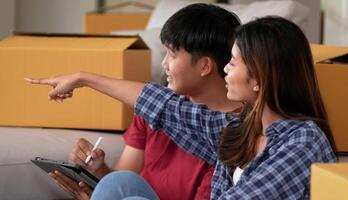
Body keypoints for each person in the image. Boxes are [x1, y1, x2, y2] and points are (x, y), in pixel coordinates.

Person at [26, 16, 337, 199]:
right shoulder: (241, 128)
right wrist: (83, 78)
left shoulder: (303, 142)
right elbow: (164, 107)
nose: (225, 69)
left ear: (259, 78)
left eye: (232, 61)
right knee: (120, 184)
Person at [27, 3, 241, 200]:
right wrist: (96, 171)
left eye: (172, 54)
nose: (164, 63)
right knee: (119, 181)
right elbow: (121, 181)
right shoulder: (152, 112)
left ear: (204, 66)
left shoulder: (239, 132)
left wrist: (82, 78)